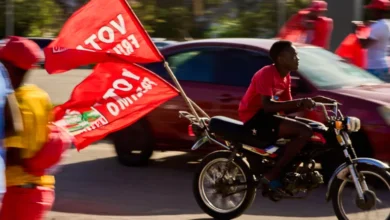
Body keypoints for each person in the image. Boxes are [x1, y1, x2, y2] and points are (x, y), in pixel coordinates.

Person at [238, 40, 336, 194]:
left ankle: (287, 172)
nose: (297, 59)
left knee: (317, 129)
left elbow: (288, 107)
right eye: (294, 55)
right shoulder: (266, 73)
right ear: (281, 58)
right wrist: (301, 103)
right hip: (254, 116)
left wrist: (315, 101)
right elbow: (267, 105)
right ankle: (273, 174)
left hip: (269, 115)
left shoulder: (286, 76)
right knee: (304, 131)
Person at [0, 36, 72, 220]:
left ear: (9, 67)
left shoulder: (16, 102)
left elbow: (14, 157)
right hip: (38, 191)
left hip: (20, 195)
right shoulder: (38, 95)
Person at [357, 0, 390, 82]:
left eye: (372, 10)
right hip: (383, 65)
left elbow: (364, 45)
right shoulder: (386, 24)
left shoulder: (378, 26)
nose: (370, 12)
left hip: (375, 67)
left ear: (377, 11)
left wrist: (357, 31)